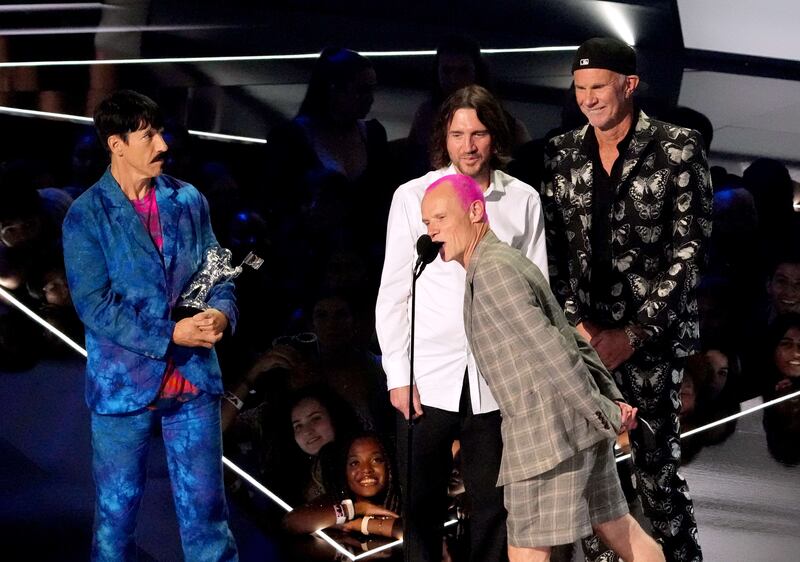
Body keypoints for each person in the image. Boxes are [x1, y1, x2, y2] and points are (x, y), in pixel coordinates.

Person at [421, 174, 664, 562]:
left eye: (439, 219)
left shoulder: (495, 271)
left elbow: (551, 348)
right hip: (570, 426)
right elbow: (569, 337)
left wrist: (599, 408)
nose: (431, 231)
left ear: (476, 211)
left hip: (546, 435)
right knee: (619, 528)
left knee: (527, 550)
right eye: (426, 223)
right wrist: (606, 401)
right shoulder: (503, 262)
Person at [542, 38, 711, 561]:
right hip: (584, 342)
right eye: (579, 89)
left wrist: (633, 335)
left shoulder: (677, 145)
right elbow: (550, 252)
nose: (588, 98)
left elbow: (690, 250)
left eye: (598, 87)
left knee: (657, 478)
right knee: (593, 477)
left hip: (653, 343)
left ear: (629, 85)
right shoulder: (561, 152)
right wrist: (580, 329)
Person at [62, 90, 238, 561]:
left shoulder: (187, 199)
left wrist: (222, 312)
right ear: (116, 144)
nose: (161, 144)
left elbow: (216, 269)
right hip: (124, 387)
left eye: (159, 132)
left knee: (207, 512)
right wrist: (169, 334)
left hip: (194, 378)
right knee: (117, 515)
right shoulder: (86, 216)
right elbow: (95, 305)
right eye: (147, 135)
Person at [375, 84, 548, 562]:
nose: (468, 145)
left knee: (495, 508)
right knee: (421, 509)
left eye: (478, 133)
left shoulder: (523, 200)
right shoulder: (413, 197)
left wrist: (529, 380)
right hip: (427, 375)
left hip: (499, 380)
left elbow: (537, 294)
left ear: (497, 136)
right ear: (444, 138)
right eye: (457, 134)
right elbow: (395, 291)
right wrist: (398, 375)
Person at [283, 431, 402, 539]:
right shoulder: (337, 500)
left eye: (376, 460)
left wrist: (359, 524)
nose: (366, 469)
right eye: (355, 463)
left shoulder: (403, 500)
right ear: (344, 472)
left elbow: (405, 533)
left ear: (388, 466)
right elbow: (290, 523)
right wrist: (358, 508)